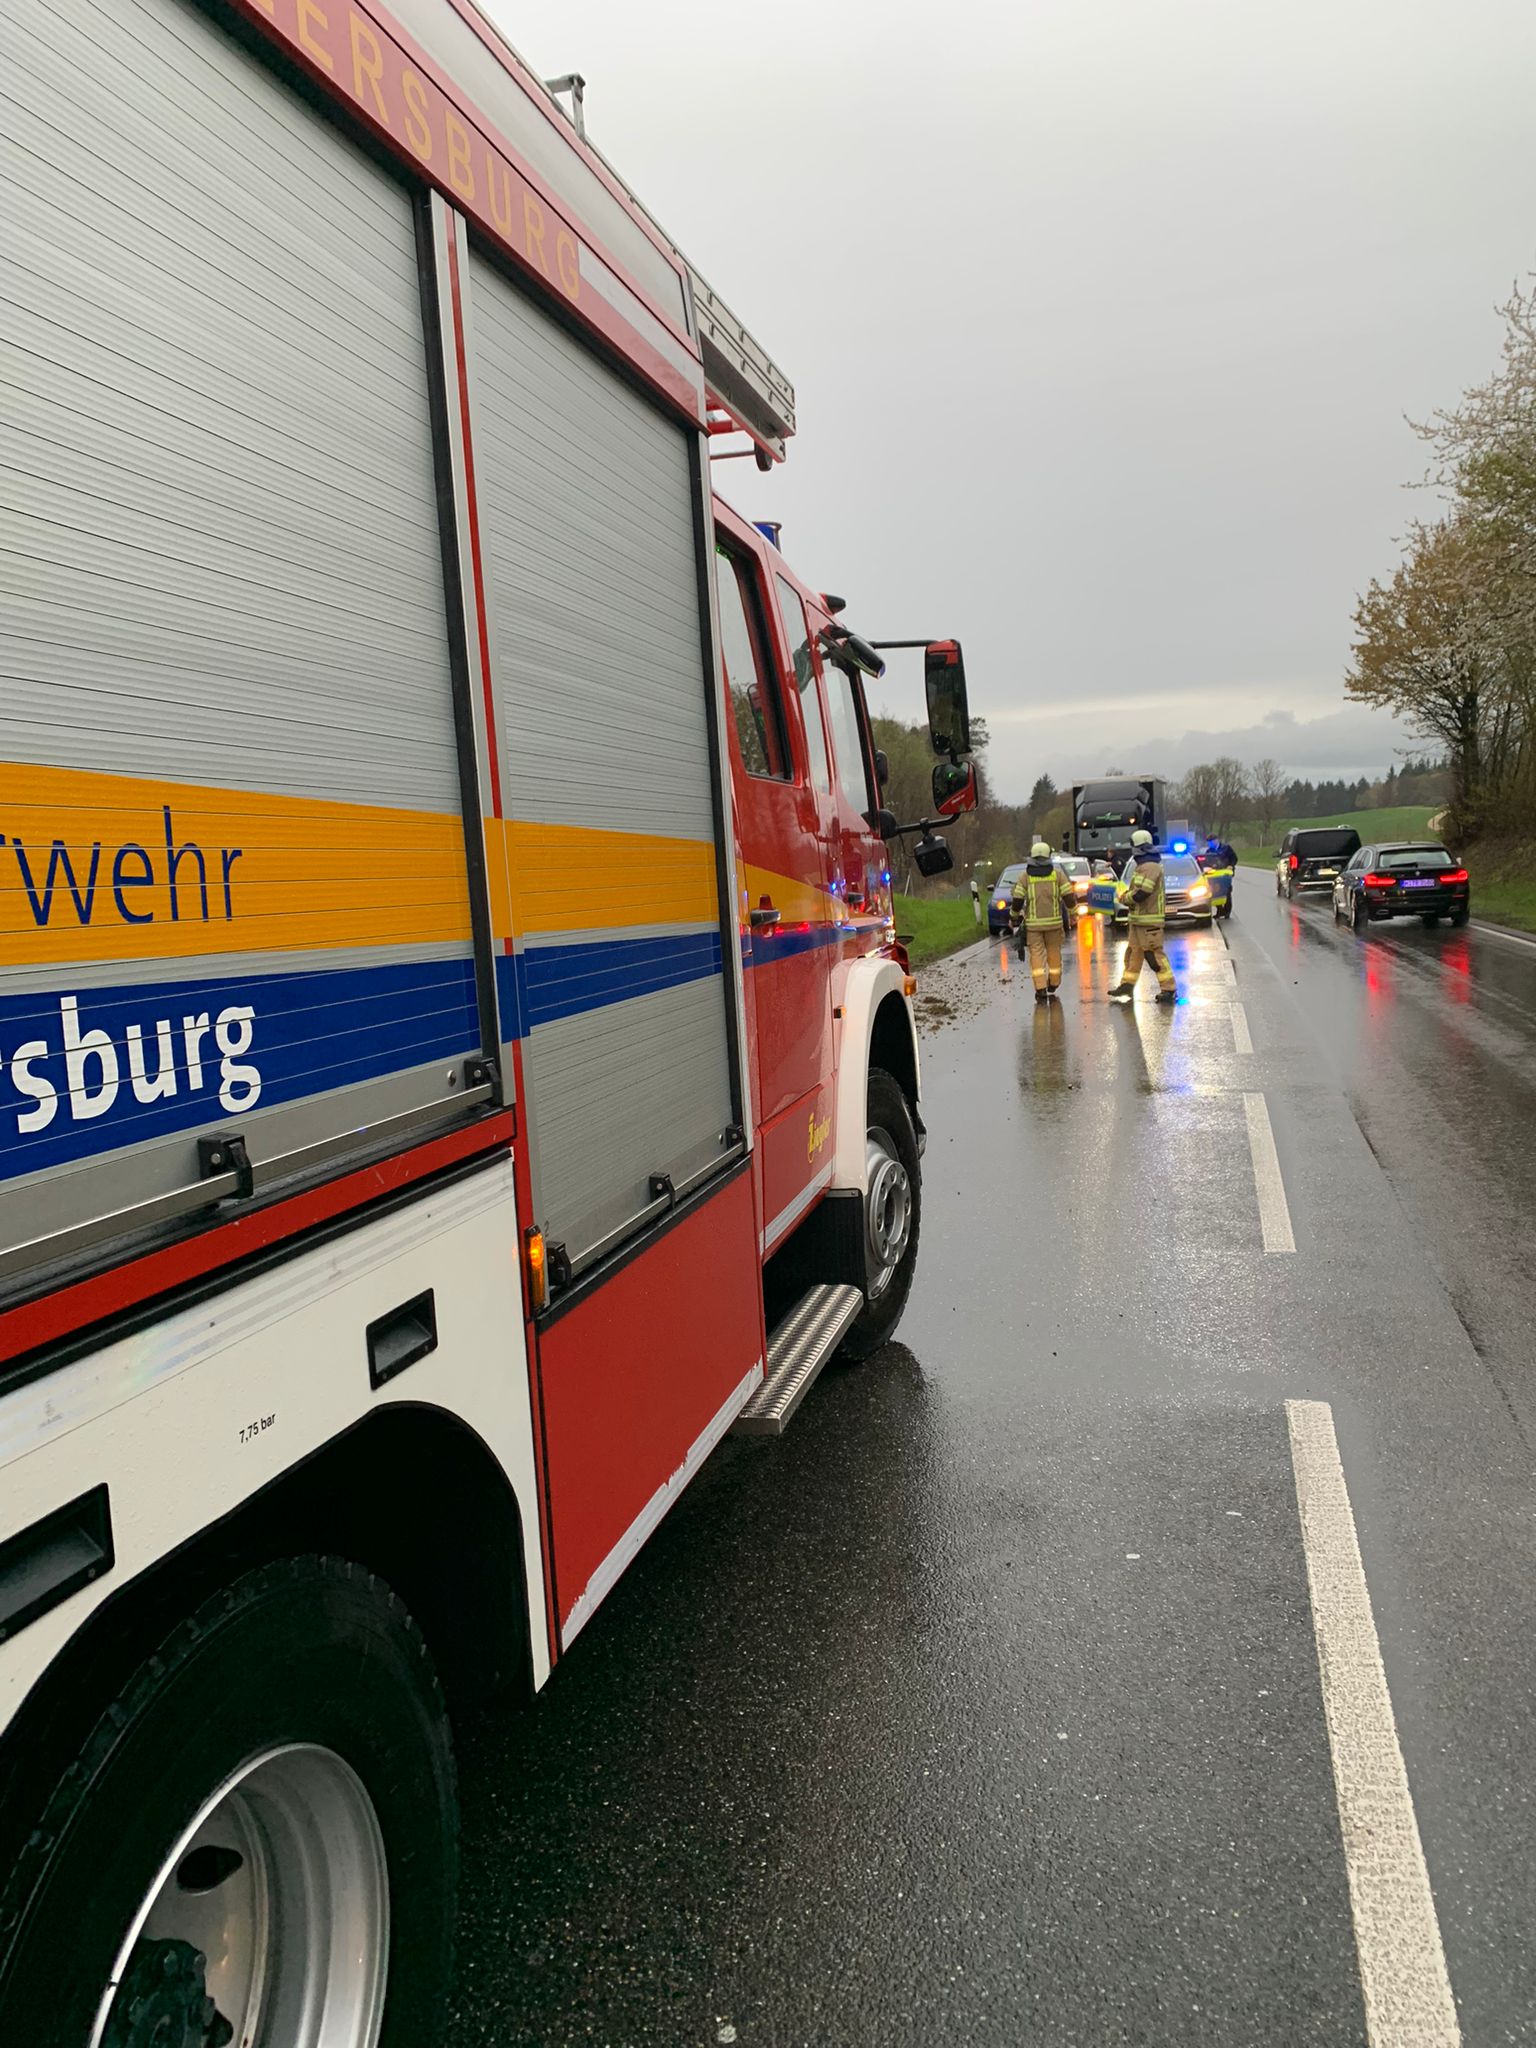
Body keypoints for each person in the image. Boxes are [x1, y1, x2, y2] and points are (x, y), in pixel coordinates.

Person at [1109, 829, 1176, 1002]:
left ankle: (1169, 989)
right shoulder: (1143, 866)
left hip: (1149, 920)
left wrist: (1124, 898)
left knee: (1154, 956)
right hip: (1138, 920)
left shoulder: (1150, 867)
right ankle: (1127, 986)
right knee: (1133, 954)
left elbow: (1142, 893)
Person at [1012, 841, 1071, 1001]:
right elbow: (1069, 898)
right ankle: (1054, 982)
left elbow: (1017, 900)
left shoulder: (1025, 877)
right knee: (1054, 953)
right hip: (1054, 925)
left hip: (1033, 927)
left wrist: (1014, 915)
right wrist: (1073, 913)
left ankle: (1040, 988)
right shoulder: (1058, 875)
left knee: (1036, 956)